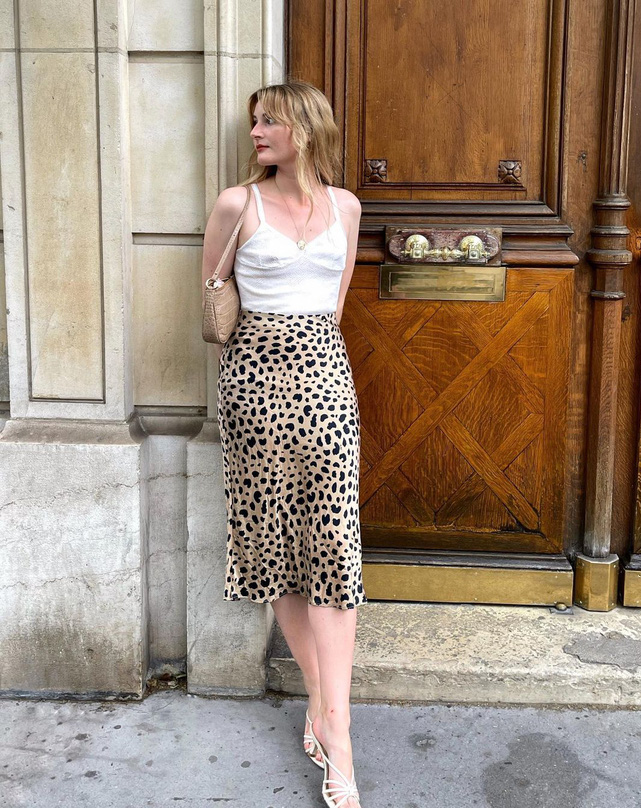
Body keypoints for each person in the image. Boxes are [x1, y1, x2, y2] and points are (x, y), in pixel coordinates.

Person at [201, 80, 366, 808]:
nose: (258, 132)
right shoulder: (238, 204)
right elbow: (214, 306)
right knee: (275, 549)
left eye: (270, 121)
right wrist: (255, 381)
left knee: (333, 548)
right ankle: (324, 708)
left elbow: (336, 305)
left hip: (326, 384)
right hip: (254, 387)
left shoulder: (347, 208)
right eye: (255, 122)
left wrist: (311, 368)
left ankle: (338, 728)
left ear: (306, 127)